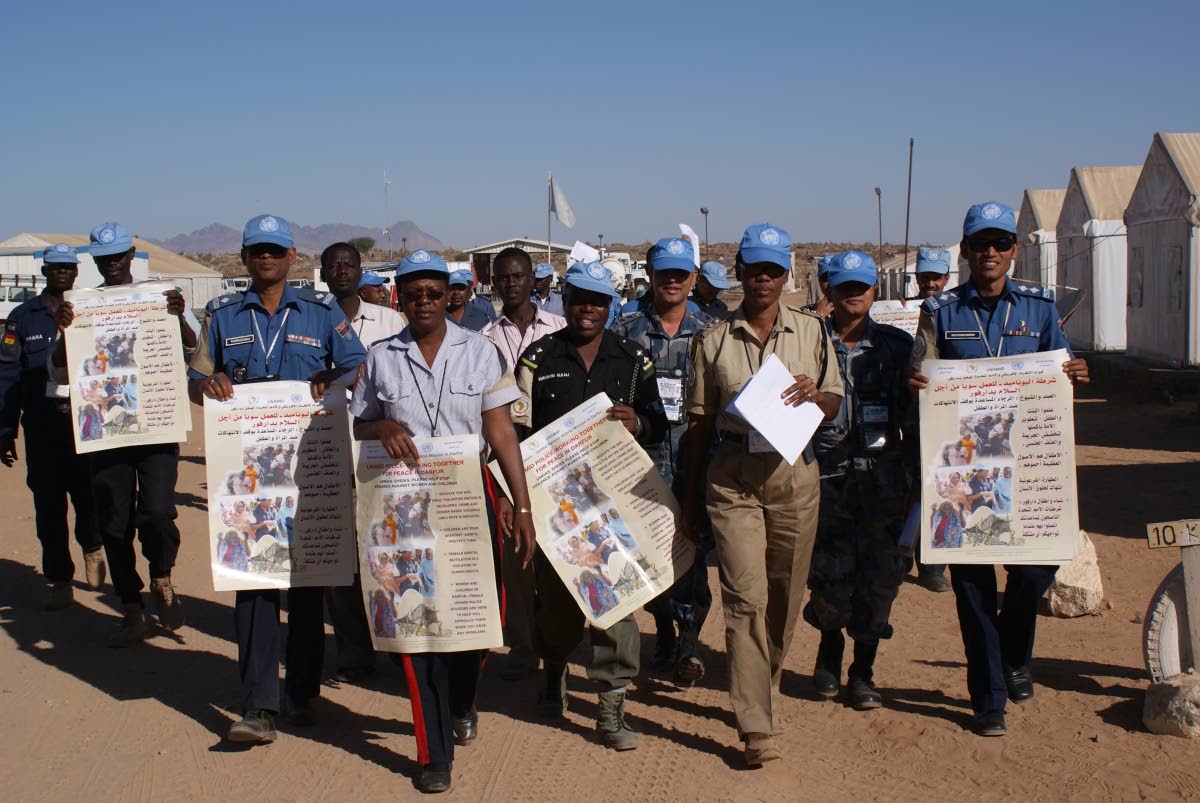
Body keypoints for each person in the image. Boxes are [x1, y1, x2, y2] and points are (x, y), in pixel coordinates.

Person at [350, 247, 536, 794]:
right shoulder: (381, 357)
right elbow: (361, 423)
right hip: (401, 506)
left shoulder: (480, 352)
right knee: (417, 625)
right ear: (398, 299)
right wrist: (381, 428)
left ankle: (462, 696)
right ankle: (434, 753)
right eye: (413, 294)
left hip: (466, 497)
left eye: (434, 292)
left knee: (483, 615)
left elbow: (500, 433)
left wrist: (520, 505)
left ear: (454, 294)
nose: (425, 302)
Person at [909, 200, 1090, 737]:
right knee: (971, 587)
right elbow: (920, 365)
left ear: (1014, 250)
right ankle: (988, 696)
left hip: (1030, 465)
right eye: (979, 243)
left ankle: (1014, 654)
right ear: (964, 250)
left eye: (1000, 243)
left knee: (1034, 573)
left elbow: (1058, 365)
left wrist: (1075, 369)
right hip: (964, 468)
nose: (990, 253)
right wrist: (915, 379)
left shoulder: (1039, 307)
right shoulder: (940, 311)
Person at [187, 213, 367, 744]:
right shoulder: (220, 316)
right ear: (244, 259)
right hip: (246, 476)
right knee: (254, 583)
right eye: (256, 251)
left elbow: (357, 364)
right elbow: (197, 376)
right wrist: (209, 383)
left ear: (292, 257)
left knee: (308, 586)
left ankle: (302, 693)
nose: (265, 259)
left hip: (309, 470)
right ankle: (259, 705)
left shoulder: (320, 312)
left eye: (275, 250)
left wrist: (333, 376)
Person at [682, 223, 843, 766]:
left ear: (786, 274)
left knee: (783, 593)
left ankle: (765, 680)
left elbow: (836, 402)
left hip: (795, 475)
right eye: (755, 270)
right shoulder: (713, 340)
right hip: (733, 480)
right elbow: (699, 428)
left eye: (774, 270)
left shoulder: (813, 332)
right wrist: (688, 501)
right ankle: (756, 724)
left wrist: (817, 397)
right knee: (745, 597)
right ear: (741, 272)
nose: (764, 280)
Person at [513, 260, 667, 752]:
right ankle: (554, 666)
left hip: (612, 508)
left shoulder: (634, 358)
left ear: (611, 305)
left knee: (616, 599)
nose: (587, 309)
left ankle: (610, 703)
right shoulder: (537, 358)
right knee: (557, 607)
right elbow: (515, 430)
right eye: (579, 298)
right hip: (554, 506)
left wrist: (638, 423)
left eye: (598, 301)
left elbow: (659, 422)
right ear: (565, 299)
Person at [49, 222, 200, 646]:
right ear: (95, 261)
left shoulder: (162, 298)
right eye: (104, 257)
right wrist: (64, 332)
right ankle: (131, 606)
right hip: (106, 433)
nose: (112, 263)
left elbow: (194, 351)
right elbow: (60, 370)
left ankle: (161, 575)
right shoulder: (81, 306)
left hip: (156, 426)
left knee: (155, 513)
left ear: (131, 255)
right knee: (114, 523)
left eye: (118, 255)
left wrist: (179, 319)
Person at [801, 250, 917, 710]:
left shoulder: (896, 347)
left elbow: (915, 418)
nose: (853, 294)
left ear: (874, 291)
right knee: (827, 574)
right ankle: (830, 650)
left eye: (861, 287)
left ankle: (863, 670)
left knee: (880, 580)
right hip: (825, 482)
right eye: (844, 286)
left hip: (883, 484)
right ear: (829, 291)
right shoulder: (808, 341)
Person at [614, 236, 715, 685]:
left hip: (698, 460)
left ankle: (689, 643)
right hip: (643, 465)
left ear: (694, 278)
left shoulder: (715, 331)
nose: (672, 280)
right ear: (650, 277)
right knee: (652, 553)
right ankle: (664, 632)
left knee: (693, 551)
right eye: (664, 273)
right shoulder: (625, 331)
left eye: (681, 273)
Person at [319, 241, 407, 685]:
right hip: (328, 452)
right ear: (321, 272)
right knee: (341, 560)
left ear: (360, 269)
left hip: (383, 455)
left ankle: (395, 639)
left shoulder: (392, 322)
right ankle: (354, 649)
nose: (341, 270)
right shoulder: (312, 319)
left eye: (349, 264)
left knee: (386, 549)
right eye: (332, 265)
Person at [0, 244, 106, 610]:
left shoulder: (89, 309)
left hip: (85, 423)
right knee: (48, 505)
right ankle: (59, 579)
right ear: (45, 271)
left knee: (88, 498)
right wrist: (6, 428)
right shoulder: (22, 317)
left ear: (76, 272)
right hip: (42, 423)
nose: (62, 273)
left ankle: (92, 545)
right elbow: (8, 374)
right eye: (55, 268)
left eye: (68, 267)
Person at [479, 247, 565, 679]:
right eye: (503, 278)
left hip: (552, 451)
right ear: (493, 283)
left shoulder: (562, 329)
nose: (511, 284)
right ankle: (523, 642)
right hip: (504, 454)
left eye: (518, 276)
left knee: (557, 546)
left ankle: (559, 638)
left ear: (534, 279)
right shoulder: (482, 339)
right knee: (515, 550)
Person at [901, 245, 957, 593]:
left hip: (951, 412)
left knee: (946, 485)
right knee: (911, 482)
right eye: (925, 277)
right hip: (913, 410)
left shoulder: (956, 312)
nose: (930, 283)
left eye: (936, 277)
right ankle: (903, 551)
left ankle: (934, 564)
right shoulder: (903, 309)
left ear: (946, 278)